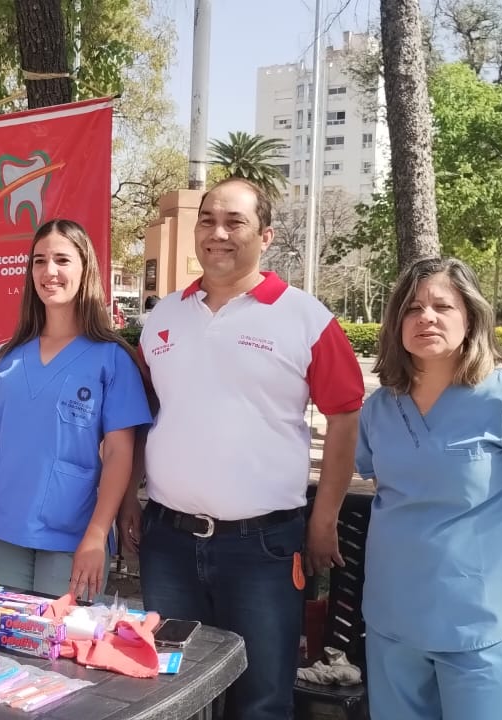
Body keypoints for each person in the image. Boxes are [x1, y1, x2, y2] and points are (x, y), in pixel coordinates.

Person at [118, 177, 365, 720]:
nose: (218, 233)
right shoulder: (163, 317)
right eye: (208, 220)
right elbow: (141, 415)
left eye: (235, 222)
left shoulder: (306, 317)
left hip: (264, 550)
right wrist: (129, 499)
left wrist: (323, 519)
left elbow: (345, 416)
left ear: (266, 235)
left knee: (261, 701)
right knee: (169, 692)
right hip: (169, 543)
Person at [356, 257, 502, 720]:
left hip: (482, 630)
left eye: (443, 306)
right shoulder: (378, 410)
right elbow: (396, 497)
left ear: (472, 317)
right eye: (412, 308)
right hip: (392, 621)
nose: (427, 317)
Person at [0, 219, 151, 600]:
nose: (49, 272)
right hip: (0, 532)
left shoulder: (112, 358)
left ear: (85, 269)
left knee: (59, 652)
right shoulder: (10, 357)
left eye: (62, 260)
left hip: (73, 536)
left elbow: (120, 453)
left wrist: (98, 535)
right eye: (39, 261)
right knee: (3, 645)